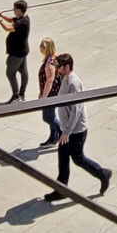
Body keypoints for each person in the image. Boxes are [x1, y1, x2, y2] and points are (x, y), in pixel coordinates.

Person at [42, 54, 112, 200]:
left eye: (59, 67)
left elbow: (77, 109)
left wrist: (66, 132)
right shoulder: (64, 79)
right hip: (66, 128)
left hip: (76, 131)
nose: (57, 71)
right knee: (62, 157)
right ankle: (61, 189)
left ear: (67, 67)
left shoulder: (74, 83)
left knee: (78, 158)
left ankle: (103, 173)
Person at [0, 0, 31, 103]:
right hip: (22, 52)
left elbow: (8, 28)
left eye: (14, 9)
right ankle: (22, 94)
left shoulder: (22, 23)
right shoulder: (24, 18)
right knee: (23, 72)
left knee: (10, 73)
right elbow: (11, 20)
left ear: (19, 10)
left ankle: (16, 95)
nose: (13, 10)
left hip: (16, 54)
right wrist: (2, 16)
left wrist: (0, 21)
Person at [35, 36, 62, 146]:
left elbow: (49, 80)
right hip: (49, 93)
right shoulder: (50, 59)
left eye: (41, 46)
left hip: (50, 95)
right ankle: (53, 138)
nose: (39, 47)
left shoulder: (50, 62)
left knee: (47, 117)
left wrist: (44, 97)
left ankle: (63, 133)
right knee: (51, 116)